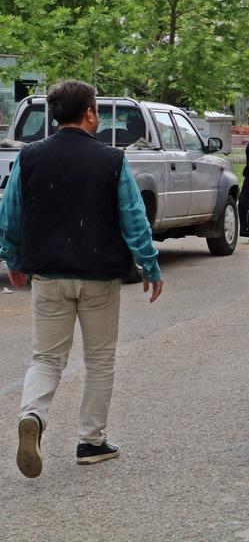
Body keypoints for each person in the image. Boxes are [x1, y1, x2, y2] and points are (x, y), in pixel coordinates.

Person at [0, 80, 163, 479]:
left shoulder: (30, 157)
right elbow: (133, 217)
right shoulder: (111, 159)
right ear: (90, 112)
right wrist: (149, 264)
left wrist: (14, 258)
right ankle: (91, 442)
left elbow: (11, 214)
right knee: (99, 359)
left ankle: (33, 416)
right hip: (98, 275)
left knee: (46, 357)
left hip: (48, 274)